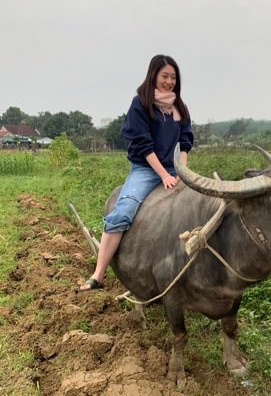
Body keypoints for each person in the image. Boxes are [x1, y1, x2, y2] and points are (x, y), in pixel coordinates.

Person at [79, 54, 193, 291]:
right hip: (146, 168)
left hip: (176, 168)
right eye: (165, 76)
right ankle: (98, 275)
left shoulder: (179, 106)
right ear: (154, 76)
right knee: (122, 212)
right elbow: (143, 145)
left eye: (173, 77)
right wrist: (163, 175)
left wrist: (182, 172)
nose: (169, 81)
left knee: (198, 210)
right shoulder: (141, 103)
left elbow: (185, 141)